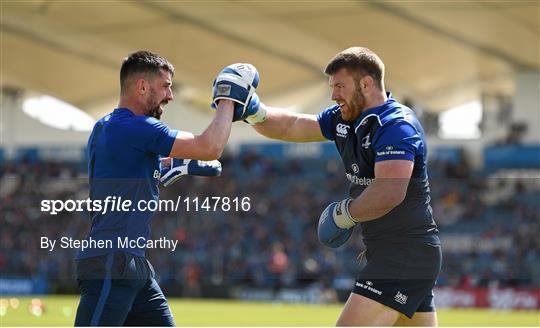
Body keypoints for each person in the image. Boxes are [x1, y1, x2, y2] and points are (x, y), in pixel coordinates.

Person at [239, 47, 442, 326]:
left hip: (404, 253)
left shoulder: (396, 125)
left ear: (367, 84)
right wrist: (254, 111)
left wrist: (343, 215)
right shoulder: (343, 118)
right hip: (398, 254)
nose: (334, 95)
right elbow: (292, 126)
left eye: (340, 87)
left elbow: (390, 191)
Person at [74, 51, 256, 326]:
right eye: (166, 86)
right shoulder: (137, 127)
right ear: (142, 86)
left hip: (132, 265)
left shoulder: (104, 127)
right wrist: (228, 98)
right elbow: (210, 147)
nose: (170, 95)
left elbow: (121, 176)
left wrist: (162, 167)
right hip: (112, 263)